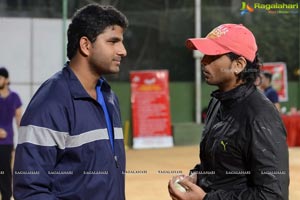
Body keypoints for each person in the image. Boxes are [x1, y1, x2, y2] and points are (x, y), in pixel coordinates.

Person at [13, 4, 128, 200]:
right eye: (113, 41)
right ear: (86, 45)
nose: (122, 51)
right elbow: (30, 190)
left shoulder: (109, 97)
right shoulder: (51, 102)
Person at [168, 24, 289, 200]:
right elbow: (223, 166)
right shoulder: (218, 102)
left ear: (238, 65)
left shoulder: (260, 116)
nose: (203, 60)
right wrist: (197, 177)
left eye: (213, 55)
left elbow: (272, 195)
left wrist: (206, 199)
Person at [0, 67, 22, 200]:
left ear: (6, 80)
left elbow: (19, 119)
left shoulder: (14, 97)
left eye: (1, 77)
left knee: (6, 178)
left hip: (6, 144)